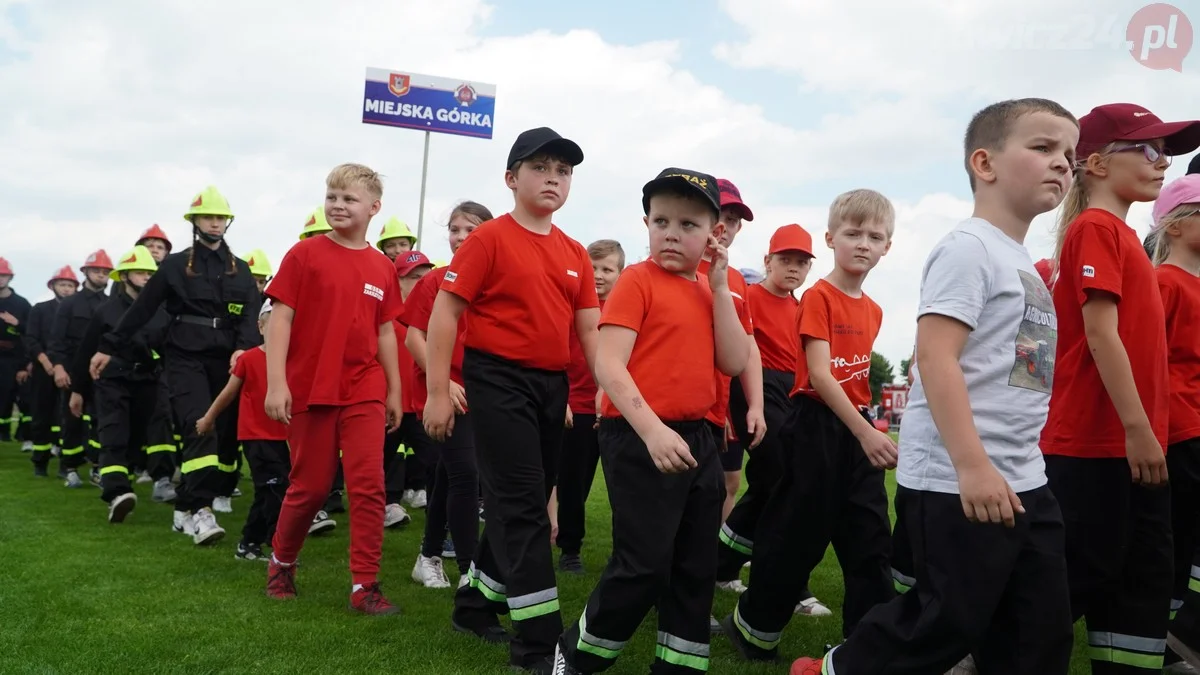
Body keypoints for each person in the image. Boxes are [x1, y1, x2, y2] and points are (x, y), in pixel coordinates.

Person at [791, 97, 1079, 675]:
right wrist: (971, 465)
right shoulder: (967, 248)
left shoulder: (1022, 261)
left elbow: (1019, 372)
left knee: (1039, 628)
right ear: (985, 163)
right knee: (943, 622)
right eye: (1043, 147)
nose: (1062, 164)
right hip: (958, 478)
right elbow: (936, 357)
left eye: (1070, 154)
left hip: (1024, 474)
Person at [553, 168, 748, 674]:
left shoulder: (712, 288)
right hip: (640, 435)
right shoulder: (637, 280)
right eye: (661, 220)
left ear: (714, 234)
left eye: (688, 224)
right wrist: (653, 430)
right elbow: (609, 364)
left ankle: (678, 666)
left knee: (694, 566)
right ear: (646, 223)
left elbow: (732, 360)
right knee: (643, 565)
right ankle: (575, 657)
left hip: (697, 437)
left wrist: (722, 284)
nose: (671, 233)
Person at [425, 127, 599, 674]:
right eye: (540, 166)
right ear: (511, 178)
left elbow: (592, 339)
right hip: (496, 380)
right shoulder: (489, 239)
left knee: (514, 503)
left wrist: (619, 399)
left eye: (563, 170)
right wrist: (436, 393)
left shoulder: (575, 253)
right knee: (525, 511)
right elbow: (445, 314)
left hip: (552, 388)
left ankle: (474, 606)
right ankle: (538, 647)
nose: (553, 177)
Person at [1041, 103, 1200, 674]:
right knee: (1072, 578)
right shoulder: (1095, 228)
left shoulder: (1123, 235)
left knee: (1141, 579)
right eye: (1150, 149)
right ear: (1098, 163)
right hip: (1097, 444)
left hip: (1131, 443)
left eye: (1168, 151)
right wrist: (1138, 429)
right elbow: (1101, 335)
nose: (1164, 162)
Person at [724, 189, 897, 661]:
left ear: (888, 246)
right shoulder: (818, 296)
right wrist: (867, 433)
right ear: (832, 238)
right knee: (794, 538)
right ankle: (753, 631)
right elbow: (820, 374)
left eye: (875, 236)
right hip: (815, 428)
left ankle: (866, 648)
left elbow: (856, 382)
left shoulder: (875, 310)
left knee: (870, 539)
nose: (863, 243)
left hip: (855, 431)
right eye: (852, 233)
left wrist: (864, 429)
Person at [262, 164, 404, 615]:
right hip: (309, 386)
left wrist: (395, 391)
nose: (338, 205)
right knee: (311, 486)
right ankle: (281, 563)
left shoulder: (382, 268)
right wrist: (277, 382)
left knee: (369, 486)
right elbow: (279, 319)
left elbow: (385, 334)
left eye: (349, 198)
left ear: (374, 208)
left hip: (365, 387)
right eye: (332, 196)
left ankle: (365, 586)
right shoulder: (304, 255)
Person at [92, 186, 261, 545]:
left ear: (227, 222)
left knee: (224, 437)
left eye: (220, 217)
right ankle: (201, 511)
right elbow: (141, 311)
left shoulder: (242, 271)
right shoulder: (172, 266)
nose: (214, 223)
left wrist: (245, 348)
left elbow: (251, 315)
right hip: (185, 360)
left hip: (227, 362)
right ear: (195, 221)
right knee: (201, 427)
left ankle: (183, 508)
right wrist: (109, 346)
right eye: (208, 217)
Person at [715, 224, 829, 620]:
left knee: (771, 484)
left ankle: (723, 562)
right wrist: (725, 406)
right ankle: (790, 585)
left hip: (791, 393)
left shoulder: (802, 307)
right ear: (767, 261)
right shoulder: (747, 296)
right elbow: (730, 351)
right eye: (785, 260)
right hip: (755, 390)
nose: (793, 269)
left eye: (801, 262)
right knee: (786, 483)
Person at [403, 201, 493, 590]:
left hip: (485, 394)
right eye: (454, 229)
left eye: (469, 230)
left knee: (446, 476)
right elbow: (413, 337)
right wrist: (442, 383)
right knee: (465, 476)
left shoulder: (496, 283)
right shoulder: (434, 280)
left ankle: (427, 556)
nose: (459, 237)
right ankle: (470, 573)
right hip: (448, 395)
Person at [70, 245, 178, 522]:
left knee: (136, 439)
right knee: (114, 434)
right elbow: (86, 353)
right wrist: (78, 391)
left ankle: (123, 485)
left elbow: (169, 350)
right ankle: (116, 493)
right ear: (125, 276)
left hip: (149, 381)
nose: (146, 278)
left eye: (150, 274)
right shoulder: (106, 312)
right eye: (140, 272)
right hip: (112, 382)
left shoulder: (162, 312)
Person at [1146, 175, 1200, 672]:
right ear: (1177, 225)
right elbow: (1148, 363)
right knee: (1171, 539)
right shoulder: (1162, 283)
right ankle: (1152, 635)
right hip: (1180, 432)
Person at [196, 300, 291, 562]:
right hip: (256, 436)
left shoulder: (293, 359)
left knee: (274, 491)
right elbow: (228, 393)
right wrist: (208, 418)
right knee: (274, 490)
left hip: (283, 438)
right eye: (273, 324)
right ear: (260, 326)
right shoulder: (248, 359)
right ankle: (269, 546)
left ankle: (253, 544)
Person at [555, 238, 624, 576]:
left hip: (618, 409)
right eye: (593, 267)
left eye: (607, 269)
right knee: (573, 485)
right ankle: (569, 550)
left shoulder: (627, 309)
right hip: (578, 408)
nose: (598, 275)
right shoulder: (572, 308)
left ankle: (626, 554)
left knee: (624, 488)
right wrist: (563, 400)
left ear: (619, 273)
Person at [50, 249, 112, 488]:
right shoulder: (69, 304)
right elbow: (56, 340)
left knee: (101, 420)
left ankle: (98, 466)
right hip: (73, 371)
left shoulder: (110, 304)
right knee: (71, 420)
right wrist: (58, 368)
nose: (101, 274)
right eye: (96, 270)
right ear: (85, 272)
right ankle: (69, 467)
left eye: (105, 272)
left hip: (102, 372)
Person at [26, 266, 77, 475]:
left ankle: (67, 464)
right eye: (62, 284)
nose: (66, 289)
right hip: (42, 371)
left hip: (69, 369)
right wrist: (46, 362)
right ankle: (40, 462)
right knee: (41, 416)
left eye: (70, 285)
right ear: (53, 286)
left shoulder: (77, 311)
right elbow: (30, 338)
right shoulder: (39, 309)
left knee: (68, 418)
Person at [0, 257, 32, 444]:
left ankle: (23, 434)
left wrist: (17, 323)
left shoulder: (21, 304)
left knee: (22, 398)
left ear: (10, 278)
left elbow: (33, 332)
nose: (0, 279)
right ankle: (2, 432)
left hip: (16, 357)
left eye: (4, 275)